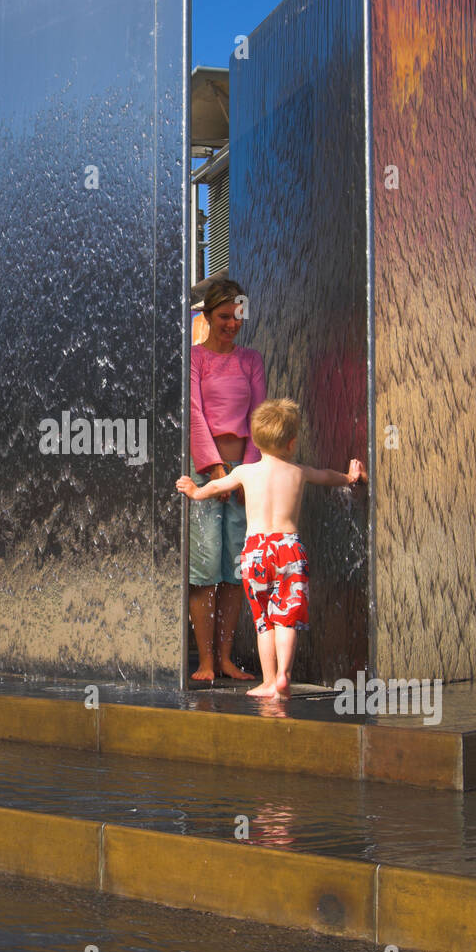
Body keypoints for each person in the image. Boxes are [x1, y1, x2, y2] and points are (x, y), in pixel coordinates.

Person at [178, 398, 365, 699]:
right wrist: (350, 477)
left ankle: (267, 682)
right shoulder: (299, 471)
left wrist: (195, 492)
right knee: (286, 619)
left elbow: (215, 487)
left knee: (264, 622)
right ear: (292, 443)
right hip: (289, 548)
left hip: (255, 552)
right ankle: (283, 676)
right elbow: (328, 477)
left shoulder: (245, 473)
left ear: (255, 439)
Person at [188, 277, 266, 682]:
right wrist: (214, 468)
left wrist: (246, 474)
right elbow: (194, 413)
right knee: (204, 569)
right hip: (205, 473)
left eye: (238, 316)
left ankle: (225, 658)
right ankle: (203, 661)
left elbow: (259, 416)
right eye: (224, 316)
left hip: (244, 476)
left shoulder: (251, 360)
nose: (232, 324)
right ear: (207, 315)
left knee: (235, 571)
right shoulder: (194, 358)